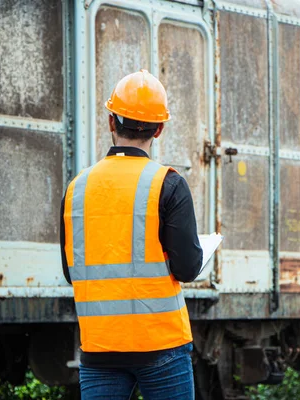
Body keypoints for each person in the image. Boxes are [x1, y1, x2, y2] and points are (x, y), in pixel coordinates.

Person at [59, 69, 203, 399]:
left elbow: (71, 272)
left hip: (101, 347)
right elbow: (187, 268)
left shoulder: (76, 190)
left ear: (111, 122)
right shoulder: (169, 184)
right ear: (160, 128)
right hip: (162, 345)